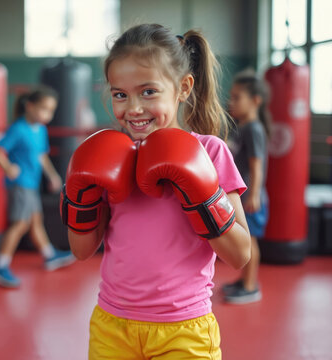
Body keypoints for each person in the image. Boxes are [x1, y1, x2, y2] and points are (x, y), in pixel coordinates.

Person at [62, 24, 252, 359]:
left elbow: (239, 255)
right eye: (120, 94)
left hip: (184, 329)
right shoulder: (110, 157)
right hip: (112, 325)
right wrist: (83, 195)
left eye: (148, 91)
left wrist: (200, 196)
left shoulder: (210, 152)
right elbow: (81, 250)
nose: (132, 108)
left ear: (183, 87)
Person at [0, 86, 76, 288]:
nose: (48, 114)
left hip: (32, 184)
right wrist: (7, 167)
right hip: (20, 185)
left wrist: (52, 175)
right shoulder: (18, 128)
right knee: (20, 224)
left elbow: (41, 155)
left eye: (51, 110)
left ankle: (49, 255)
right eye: (44, 108)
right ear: (29, 106)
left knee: (36, 221)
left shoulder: (40, 130)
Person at [223, 70, 270, 304]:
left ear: (255, 101)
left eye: (237, 97)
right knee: (245, 239)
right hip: (243, 197)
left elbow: (256, 165)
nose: (232, 102)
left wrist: (254, 194)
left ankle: (251, 287)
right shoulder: (242, 127)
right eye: (231, 96)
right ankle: (244, 281)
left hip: (252, 198)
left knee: (249, 242)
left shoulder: (254, 129)